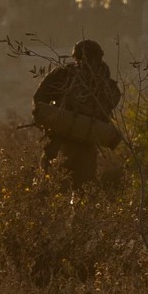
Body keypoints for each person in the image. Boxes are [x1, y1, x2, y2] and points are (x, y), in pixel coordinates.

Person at [33, 39, 122, 186]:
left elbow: (38, 102)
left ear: (76, 56)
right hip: (87, 148)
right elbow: (111, 106)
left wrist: (48, 124)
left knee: (49, 189)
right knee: (83, 194)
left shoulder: (63, 74)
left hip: (60, 142)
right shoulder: (108, 84)